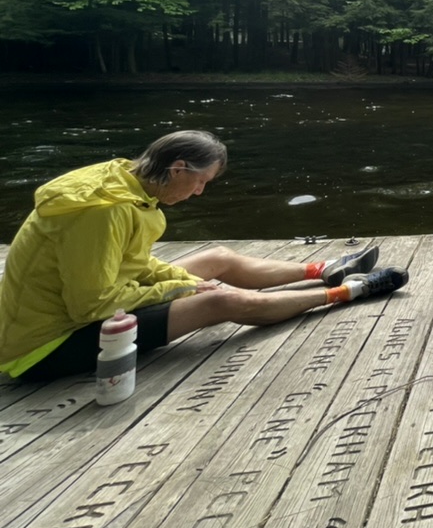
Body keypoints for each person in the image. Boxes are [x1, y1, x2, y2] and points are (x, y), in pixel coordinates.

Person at [0, 130, 409, 381]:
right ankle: (350, 292)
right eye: (200, 182)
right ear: (177, 168)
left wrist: (174, 282)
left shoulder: (126, 182)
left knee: (218, 259)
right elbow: (90, 304)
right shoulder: (102, 210)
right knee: (221, 300)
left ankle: (323, 269)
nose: (199, 193)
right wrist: (180, 289)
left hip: (85, 305)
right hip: (46, 345)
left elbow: (131, 265)